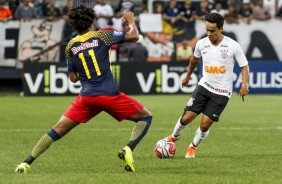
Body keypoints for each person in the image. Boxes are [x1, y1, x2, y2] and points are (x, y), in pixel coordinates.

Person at [15, 5, 152, 173]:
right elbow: (134, 36)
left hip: (87, 97)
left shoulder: (70, 46)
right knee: (146, 117)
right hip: (109, 94)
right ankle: (129, 148)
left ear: (73, 25)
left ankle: (26, 163)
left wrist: (86, 72)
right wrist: (131, 22)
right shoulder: (103, 35)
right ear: (91, 21)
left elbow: (73, 78)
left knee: (57, 129)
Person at [165, 13, 249, 158]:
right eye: (207, 30)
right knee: (186, 118)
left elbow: (244, 66)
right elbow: (194, 60)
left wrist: (244, 85)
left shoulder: (233, 46)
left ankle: (192, 147)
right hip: (204, 86)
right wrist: (187, 76)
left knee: (204, 124)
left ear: (221, 28)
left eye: (212, 31)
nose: (209, 34)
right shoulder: (201, 43)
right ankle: (173, 137)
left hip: (222, 92)